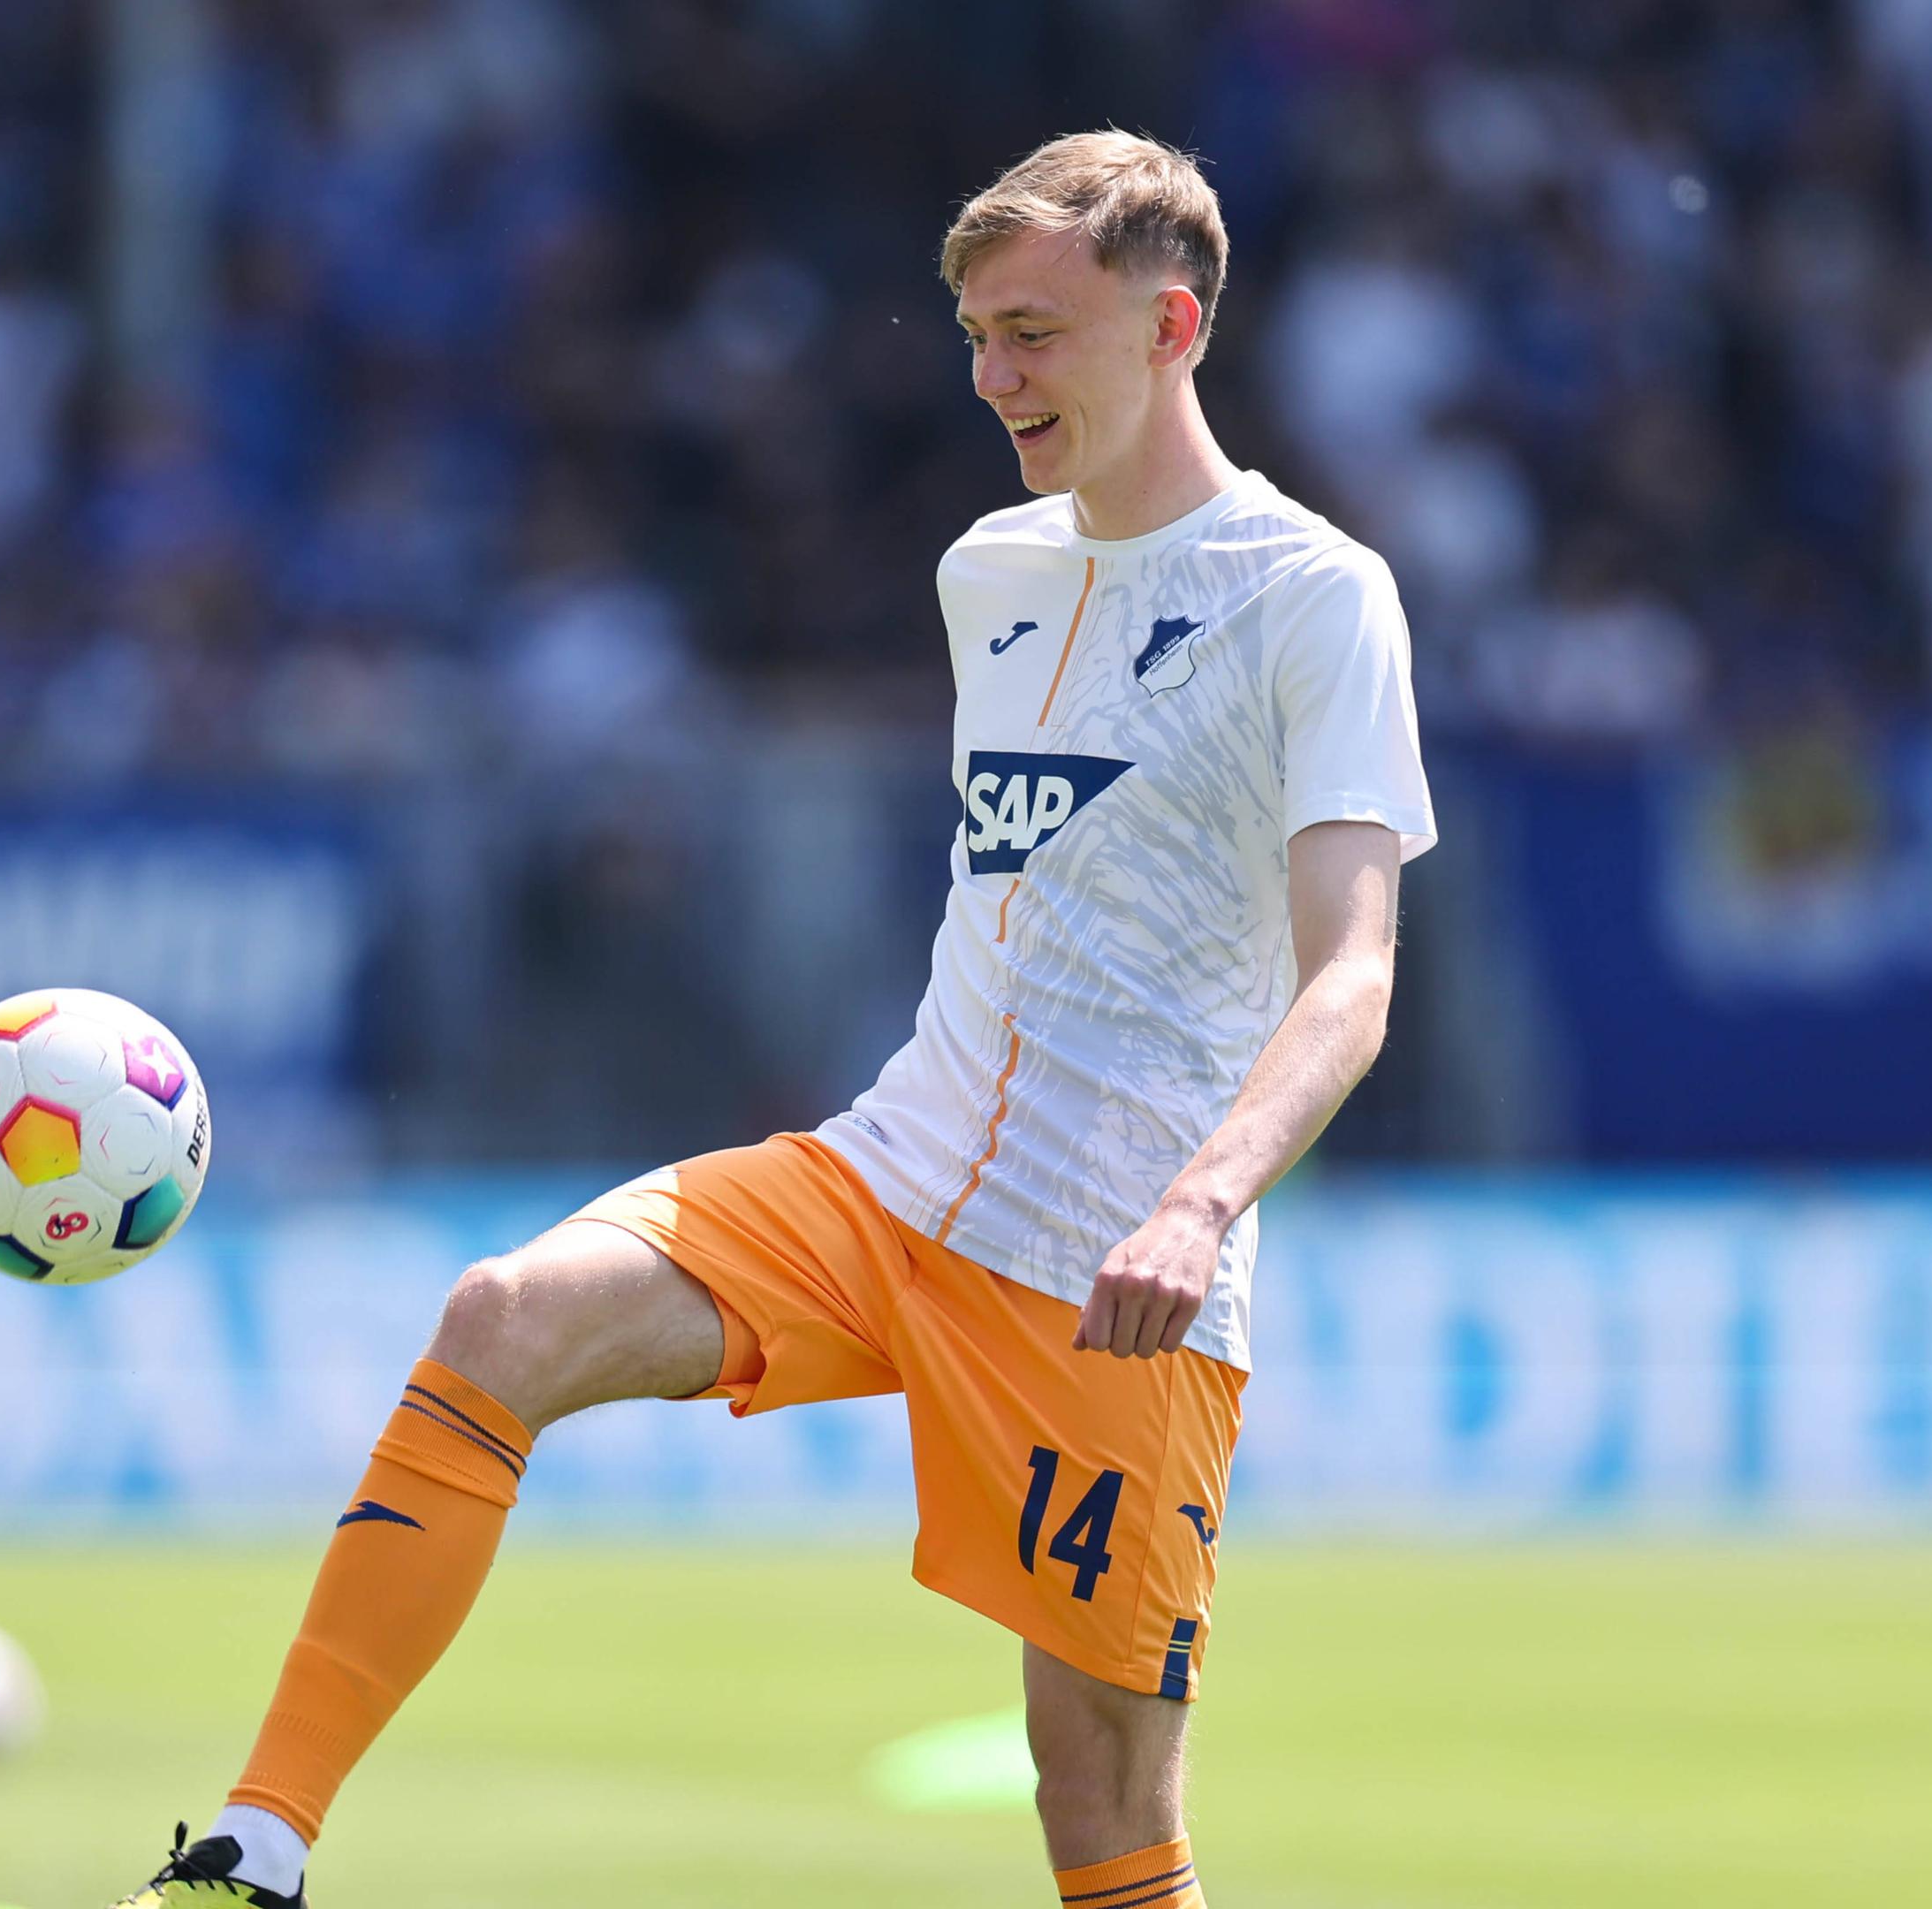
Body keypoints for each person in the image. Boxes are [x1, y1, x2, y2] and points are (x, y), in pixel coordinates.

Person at [110, 129, 1434, 1908]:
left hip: (1113, 1272)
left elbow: (1353, 969)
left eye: (1034, 331)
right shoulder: (992, 573)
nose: (994, 377)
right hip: (885, 1182)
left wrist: (1201, 1202)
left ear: (1171, 324)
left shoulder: (1316, 598)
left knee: (1100, 1807)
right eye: (975, 334)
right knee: (502, 1316)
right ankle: (250, 1858)